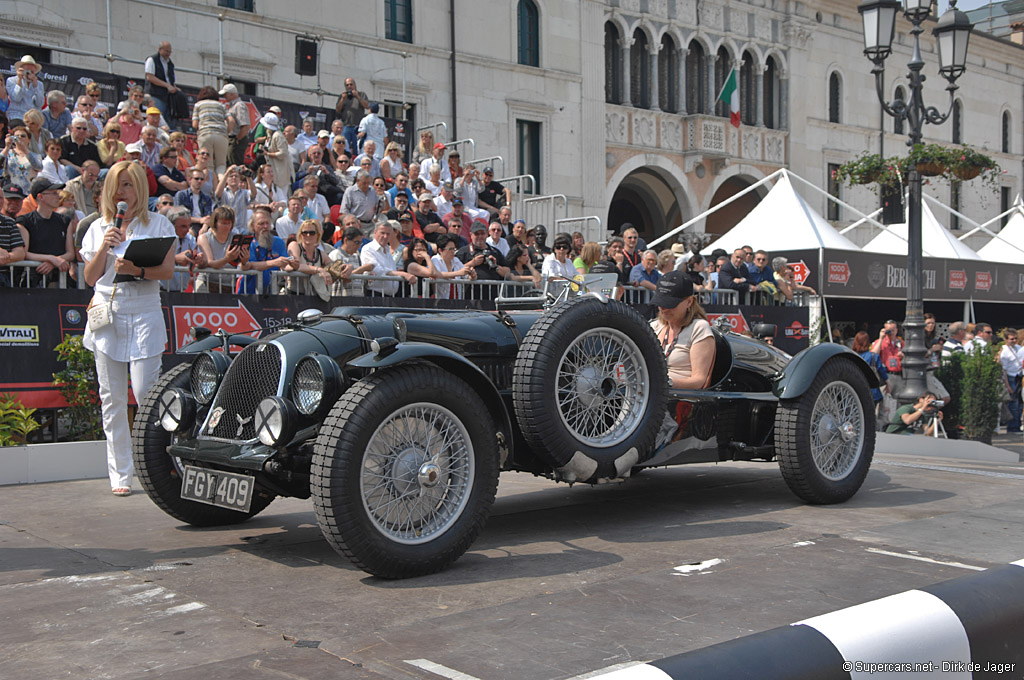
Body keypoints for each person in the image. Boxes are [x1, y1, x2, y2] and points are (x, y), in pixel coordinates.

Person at [81, 160, 175, 496]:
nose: (125, 193)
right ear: (109, 190)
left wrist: (136, 269)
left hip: (145, 308)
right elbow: (91, 278)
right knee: (112, 398)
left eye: (131, 185)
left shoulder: (160, 223)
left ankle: (153, 469)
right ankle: (120, 473)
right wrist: (106, 247)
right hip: (108, 310)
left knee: (148, 393)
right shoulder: (97, 227)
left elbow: (166, 272)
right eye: (119, 185)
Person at [650, 271, 715, 389]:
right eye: (660, 303)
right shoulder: (655, 326)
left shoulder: (699, 328)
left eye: (670, 304)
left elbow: (699, 381)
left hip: (679, 397)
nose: (663, 308)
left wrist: (664, 383)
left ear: (689, 302)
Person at [17, 177, 75, 286]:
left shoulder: (65, 221)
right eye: (53, 193)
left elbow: (70, 253)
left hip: (59, 279)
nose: (58, 196)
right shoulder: (25, 221)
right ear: (40, 196)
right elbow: (24, 253)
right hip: (32, 281)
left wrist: (54, 263)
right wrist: (51, 259)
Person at [360, 219, 417, 295]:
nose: (385, 236)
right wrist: (402, 274)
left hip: (391, 296)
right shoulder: (368, 249)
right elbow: (376, 269)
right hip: (375, 294)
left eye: (388, 234)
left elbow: (388, 269)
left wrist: (397, 271)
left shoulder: (387, 249)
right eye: (382, 233)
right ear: (375, 232)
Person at [195, 206, 244, 293]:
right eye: (223, 223)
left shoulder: (236, 237)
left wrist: (245, 258)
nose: (227, 226)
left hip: (229, 284)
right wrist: (227, 259)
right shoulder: (204, 238)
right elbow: (210, 263)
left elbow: (242, 263)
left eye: (229, 223)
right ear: (215, 223)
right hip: (207, 283)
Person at [163, 205, 206, 292]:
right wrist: (174, 259)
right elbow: (154, 260)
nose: (187, 230)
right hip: (162, 291)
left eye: (188, 226)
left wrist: (199, 259)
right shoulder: (161, 238)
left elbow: (202, 263)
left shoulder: (190, 239)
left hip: (182, 291)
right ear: (171, 225)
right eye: (183, 226)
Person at [285, 218, 332, 296]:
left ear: (318, 235)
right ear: (300, 234)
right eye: (304, 232)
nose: (308, 235)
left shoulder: (320, 253)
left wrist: (347, 267)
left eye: (312, 233)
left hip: (313, 295)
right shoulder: (294, 245)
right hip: (294, 294)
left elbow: (334, 266)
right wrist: (318, 269)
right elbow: (296, 264)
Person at [852, 330, 889, 420]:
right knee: (871, 414)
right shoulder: (873, 356)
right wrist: (888, 382)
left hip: (856, 389)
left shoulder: (852, 356)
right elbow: (881, 371)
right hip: (873, 391)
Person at [192, 86, 229, 174]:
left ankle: (211, 185)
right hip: (221, 135)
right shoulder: (221, 105)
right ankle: (221, 184)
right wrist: (226, 132)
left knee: (208, 164)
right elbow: (231, 120)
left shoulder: (198, 105)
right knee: (221, 164)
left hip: (205, 134)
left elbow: (194, 124)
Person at [430, 233, 476, 299]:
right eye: (450, 249)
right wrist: (458, 273)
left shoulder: (456, 260)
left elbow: (467, 276)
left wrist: (472, 275)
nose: (453, 252)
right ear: (440, 250)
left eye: (454, 249)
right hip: (441, 300)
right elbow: (437, 274)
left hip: (457, 300)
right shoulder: (435, 259)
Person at [143, 41, 178, 121]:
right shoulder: (152, 60)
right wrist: (167, 85)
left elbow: (170, 79)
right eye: (166, 51)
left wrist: (174, 87)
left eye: (170, 52)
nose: (168, 54)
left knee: (167, 120)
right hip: (155, 95)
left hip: (168, 97)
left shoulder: (170, 63)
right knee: (156, 118)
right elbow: (150, 77)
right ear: (160, 49)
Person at [335, 78, 369, 157]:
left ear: (355, 85)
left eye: (351, 84)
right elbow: (338, 109)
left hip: (358, 127)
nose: (349, 86)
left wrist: (357, 96)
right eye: (347, 85)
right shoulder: (342, 96)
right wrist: (343, 99)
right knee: (344, 147)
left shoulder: (361, 94)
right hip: (346, 126)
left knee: (357, 149)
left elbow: (367, 106)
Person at [6, 56, 44, 124]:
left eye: (31, 72)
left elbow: (40, 103)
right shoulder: (11, 80)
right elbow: (16, 98)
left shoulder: (39, 84)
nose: (29, 73)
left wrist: (35, 86)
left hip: (33, 117)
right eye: (27, 71)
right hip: (17, 115)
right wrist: (19, 81)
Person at [3, 125, 42, 194]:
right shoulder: (8, 153)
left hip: (28, 191)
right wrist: (7, 147)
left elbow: (38, 167)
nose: (19, 138)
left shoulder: (36, 156)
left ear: (29, 139)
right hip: (11, 191)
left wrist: (25, 150)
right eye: (16, 136)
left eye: (23, 136)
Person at [0, 189, 27, 286]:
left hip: (4, 279)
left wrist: (5, 257)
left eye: (1, 198)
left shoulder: (9, 222)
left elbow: (20, 253)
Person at [999, 328, 1023, 433]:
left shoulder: (1018, 348)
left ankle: (1017, 425)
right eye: (1011, 339)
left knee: (1019, 403)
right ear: (1006, 339)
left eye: (1015, 339)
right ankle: (1012, 427)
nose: (1014, 341)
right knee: (1013, 404)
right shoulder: (1004, 351)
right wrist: (1007, 385)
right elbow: (1003, 370)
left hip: (1018, 376)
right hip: (1010, 377)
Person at [220, 84, 250, 167]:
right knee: (230, 162)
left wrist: (238, 139)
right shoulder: (233, 106)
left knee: (235, 164)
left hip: (236, 139)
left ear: (232, 94)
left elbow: (245, 125)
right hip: (233, 139)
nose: (224, 96)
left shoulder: (239, 105)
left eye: (225, 94)